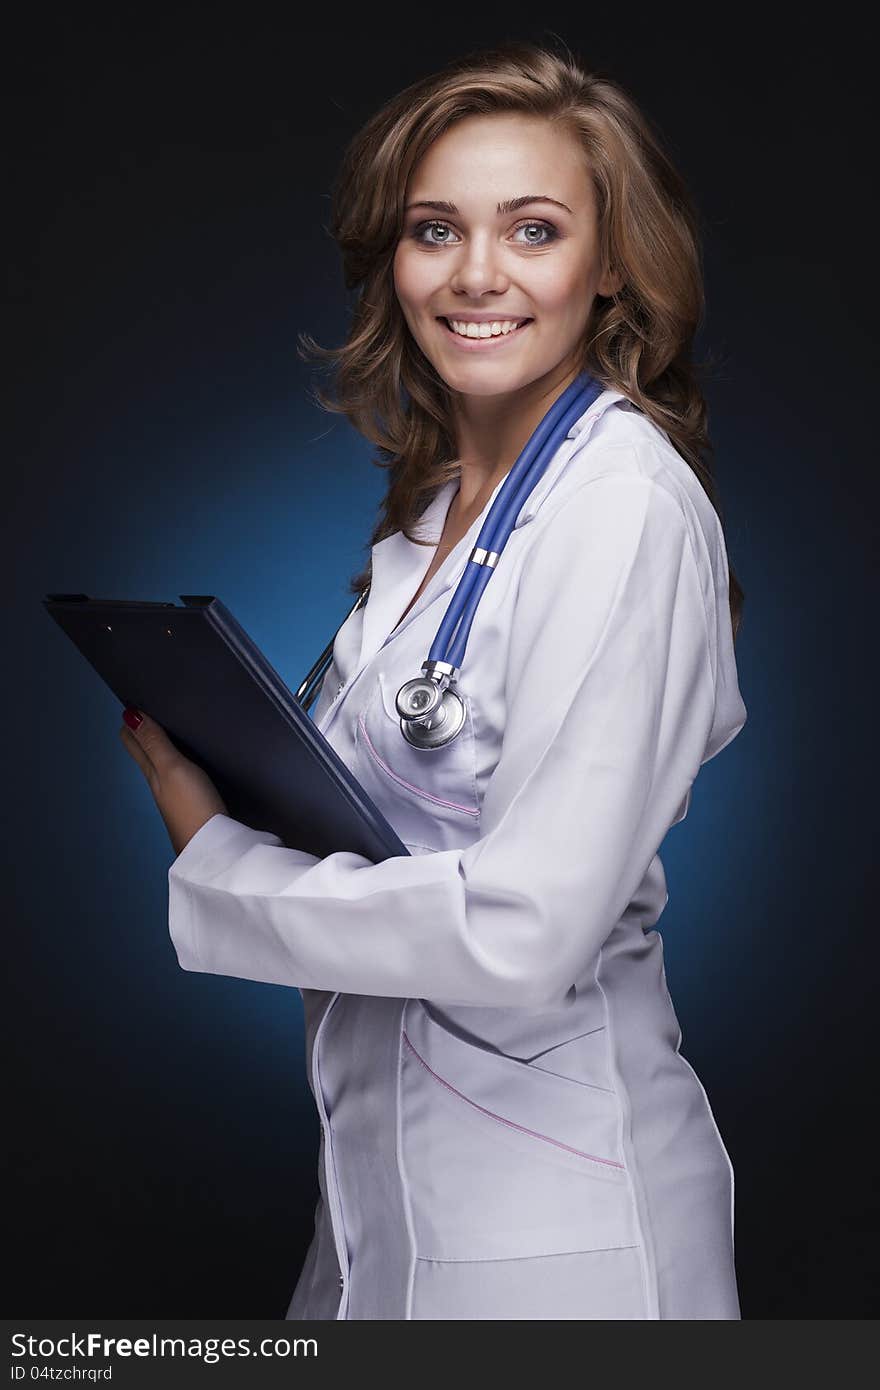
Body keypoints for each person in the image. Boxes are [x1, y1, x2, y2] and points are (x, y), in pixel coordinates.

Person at [119, 39, 749, 1320]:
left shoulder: (621, 503)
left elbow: (527, 926)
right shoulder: (437, 513)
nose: (475, 275)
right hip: (376, 1211)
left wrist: (217, 861)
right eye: (432, 229)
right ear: (390, 259)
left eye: (531, 229)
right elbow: (393, 825)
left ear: (611, 263)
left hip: (561, 1237)